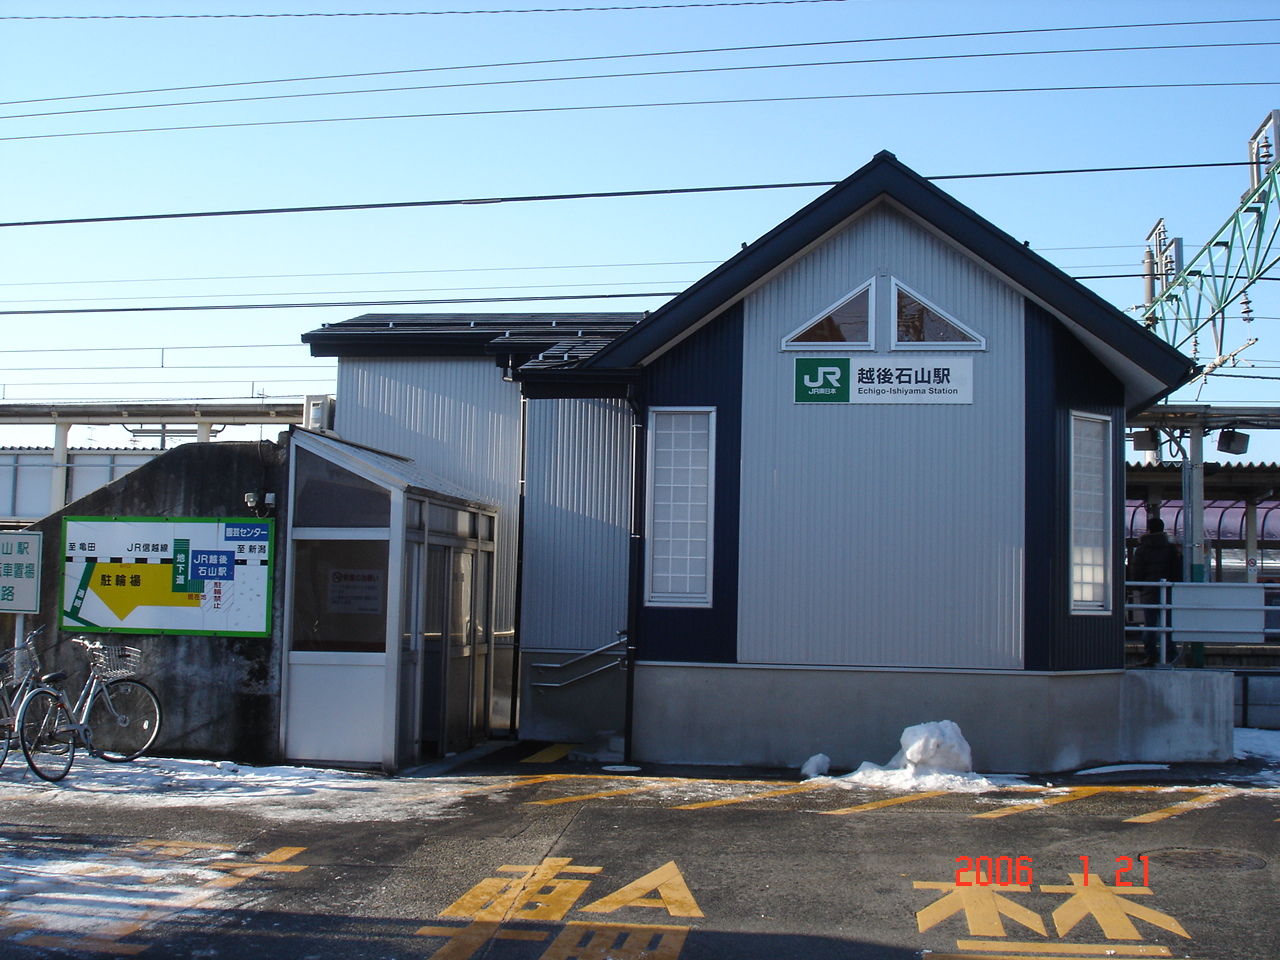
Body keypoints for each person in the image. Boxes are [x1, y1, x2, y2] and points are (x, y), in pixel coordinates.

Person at [1128, 517, 1182, 666]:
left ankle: (1150, 655)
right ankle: (1171, 655)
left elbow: (1137, 570)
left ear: (1149, 529)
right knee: (1168, 624)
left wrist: (1139, 587)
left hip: (1149, 590)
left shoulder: (1142, 548)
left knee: (1150, 624)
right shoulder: (1170, 548)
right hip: (1167, 591)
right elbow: (1177, 569)